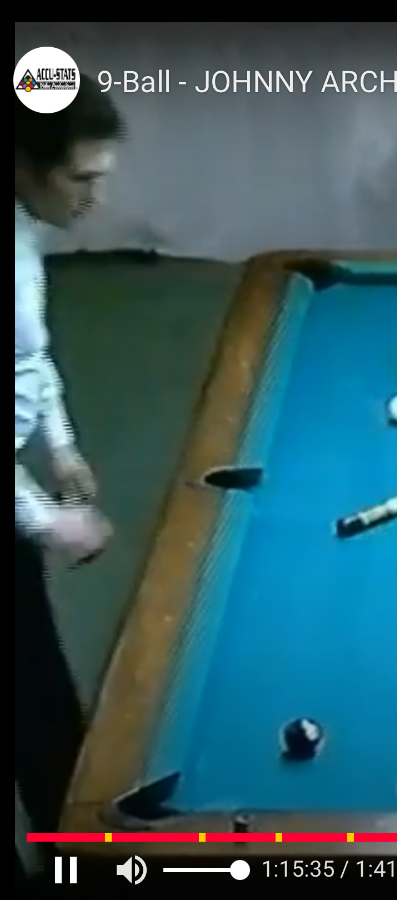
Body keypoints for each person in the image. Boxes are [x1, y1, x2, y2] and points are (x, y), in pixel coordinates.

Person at [15, 73, 124, 840]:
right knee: (35, 696)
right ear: (24, 165)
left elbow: (28, 354)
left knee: (38, 699)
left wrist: (59, 443)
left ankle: (73, 846)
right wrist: (49, 522)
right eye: (81, 179)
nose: (97, 200)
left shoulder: (23, 227)